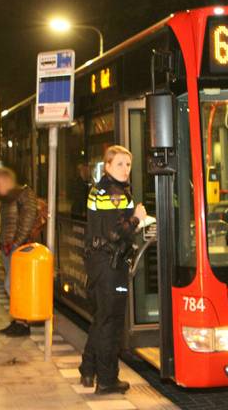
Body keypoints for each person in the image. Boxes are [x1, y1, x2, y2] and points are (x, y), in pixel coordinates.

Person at [79, 145, 147, 395]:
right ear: (107, 166)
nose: (125, 169)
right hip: (110, 264)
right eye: (119, 164)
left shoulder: (100, 189)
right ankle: (107, 379)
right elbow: (115, 232)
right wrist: (138, 218)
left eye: (128, 164)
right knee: (112, 323)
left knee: (101, 319)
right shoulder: (115, 193)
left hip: (98, 261)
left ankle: (87, 369)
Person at [0, 166, 39, 337]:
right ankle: (18, 320)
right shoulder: (7, 198)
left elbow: (28, 219)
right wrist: (1, 241)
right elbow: (6, 223)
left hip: (19, 248)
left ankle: (23, 323)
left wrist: (16, 243)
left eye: (0, 183)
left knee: (12, 285)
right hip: (7, 247)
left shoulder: (24, 194)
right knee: (15, 286)